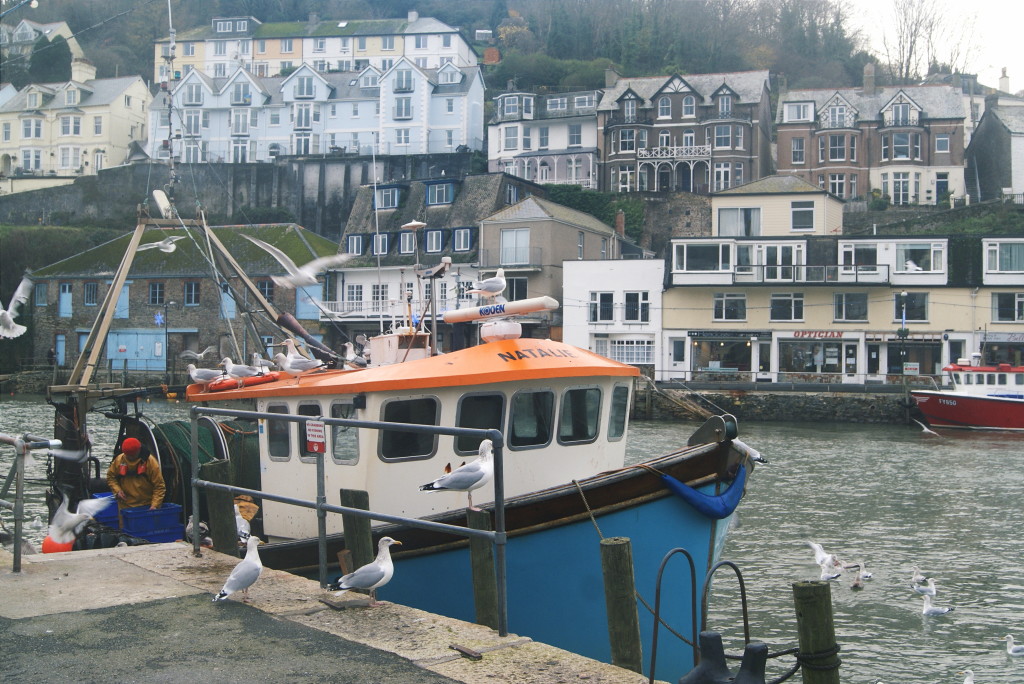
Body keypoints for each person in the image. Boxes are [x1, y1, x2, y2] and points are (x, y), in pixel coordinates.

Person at [106, 437, 165, 510]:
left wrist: (155, 505)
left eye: (132, 455)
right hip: (124, 507)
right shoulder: (119, 460)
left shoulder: (151, 463)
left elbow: (159, 486)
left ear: (139, 450)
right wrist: (117, 491)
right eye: (127, 455)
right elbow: (110, 477)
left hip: (146, 506)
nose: (130, 457)